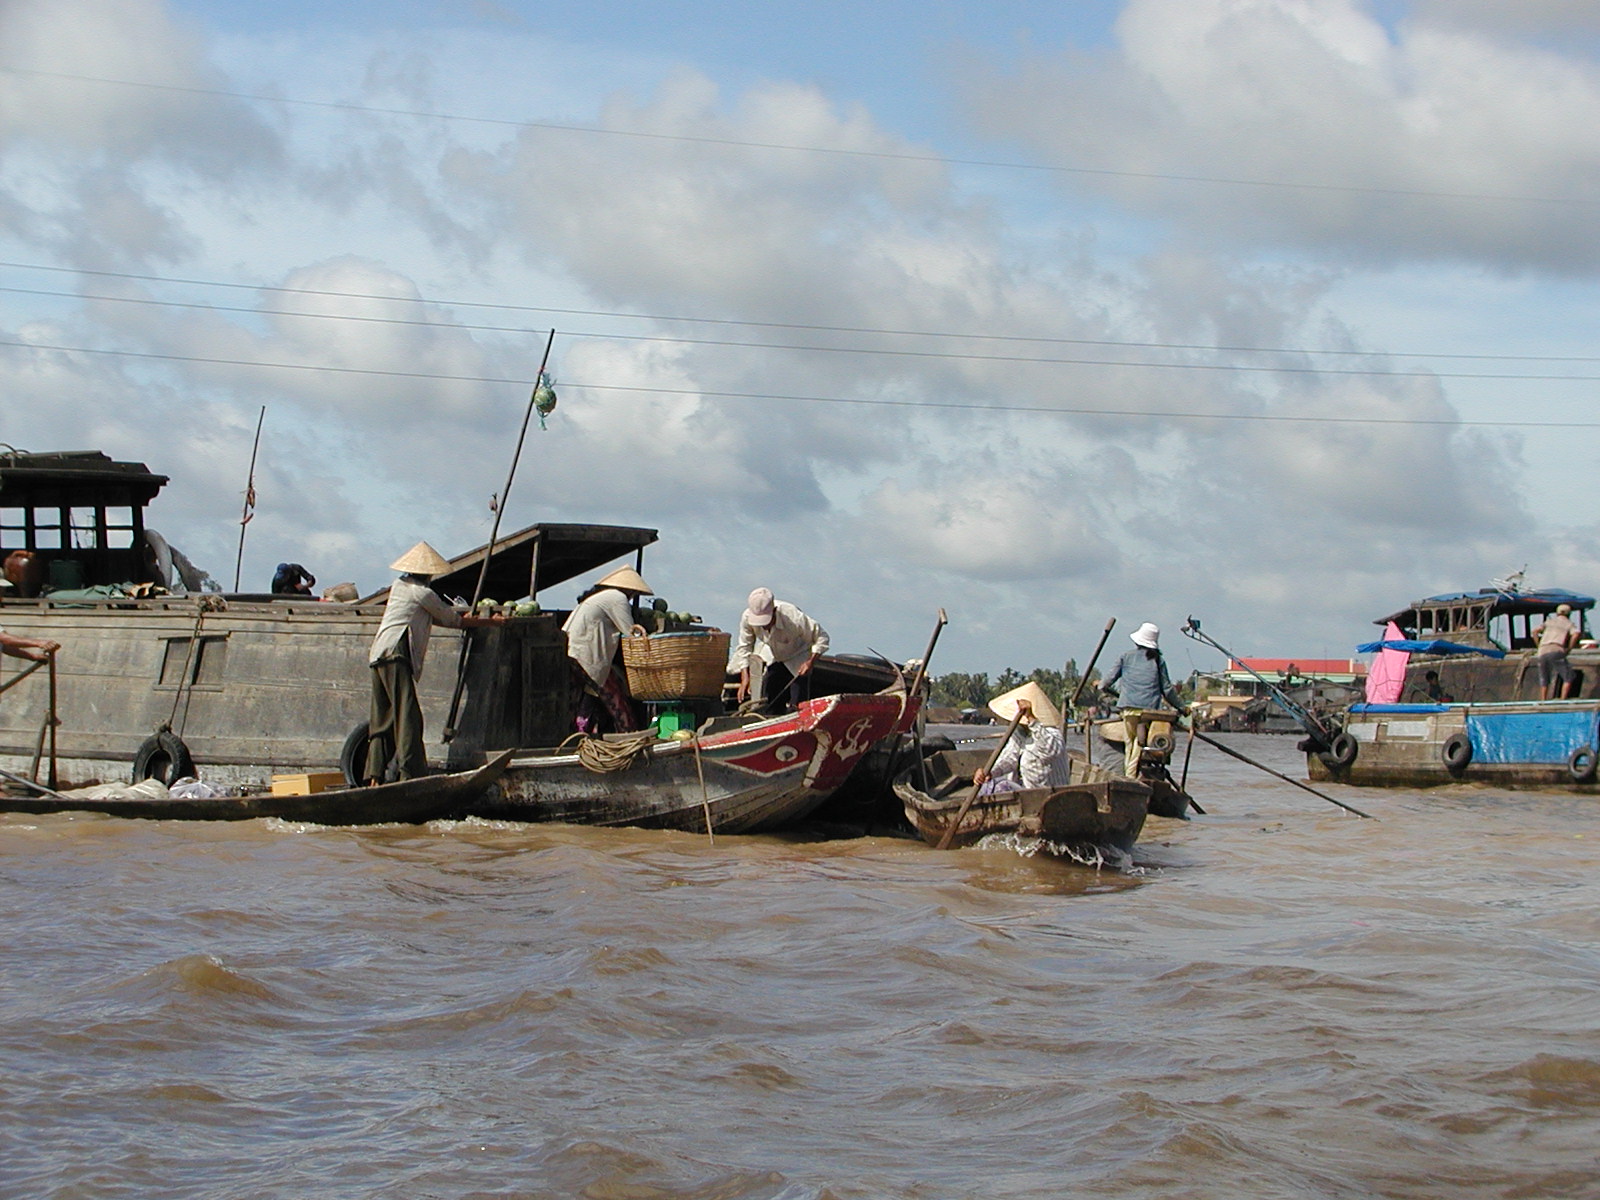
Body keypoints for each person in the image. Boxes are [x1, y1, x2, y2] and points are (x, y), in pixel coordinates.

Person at [365, 541, 504, 785]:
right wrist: (491, 622)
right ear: (428, 574)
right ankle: (411, 776)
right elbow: (452, 620)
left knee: (383, 718)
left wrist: (465, 617)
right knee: (408, 717)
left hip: (379, 653)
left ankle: (374, 775)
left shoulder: (399, 586)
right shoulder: (423, 593)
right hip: (396, 653)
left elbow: (433, 616)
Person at [563, 566, 652, 734]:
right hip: (589, 656)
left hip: (573, 651)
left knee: (579, 699)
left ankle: (573, 734)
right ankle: (629, 734)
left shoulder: (598, 597)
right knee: (615, 698)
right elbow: (629, 631)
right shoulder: (617, 598)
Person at [1101, 621, 1188, 777]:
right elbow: (1167, 690)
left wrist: (1101, 686)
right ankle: (1131, 774)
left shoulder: (1126, 657)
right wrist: (1182, 708)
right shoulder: (1158, 660)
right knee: (1138, 743)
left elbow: (1106, 682)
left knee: (1130, 742)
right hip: (1149, 711)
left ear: (1137, 641)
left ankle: (1129, 775)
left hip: (1128, 709)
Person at [732, 587, 830, 712]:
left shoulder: (793, 617)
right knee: (770, 695)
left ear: (774, 610)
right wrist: (745, 678)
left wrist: (810, 662)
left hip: (799, 655)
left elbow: (822, 637)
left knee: (797, 703)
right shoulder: (747, 618)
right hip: (774, 655)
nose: (763, 626)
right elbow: (745, 646)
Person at [971, 681, 1072, 792]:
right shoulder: (1019, 733)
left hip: (1047, 793)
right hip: (1025, 791)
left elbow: (1050, 751)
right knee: (988, 786)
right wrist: (989, 772)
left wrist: (1031, 718)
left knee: (1000, 787)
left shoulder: (1050, 733)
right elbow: (1010, 758)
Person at [1533, 603, 1580, 700]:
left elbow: (1535, 631)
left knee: (1544, 678)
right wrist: (1569, 648)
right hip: (1556, 649)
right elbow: (1576, 634)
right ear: (1569, 614)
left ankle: (1543, 700)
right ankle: (1563, 699)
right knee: (1568, 676)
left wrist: (1538, 645)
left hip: (1542, 651)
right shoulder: (1568, 623)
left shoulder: (1549, 622)